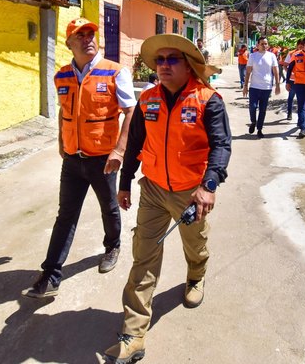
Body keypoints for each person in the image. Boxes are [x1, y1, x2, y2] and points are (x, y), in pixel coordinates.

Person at [106, 34, 231, 364]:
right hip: (153, 190)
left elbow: (221, 146)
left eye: (170, 59)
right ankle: (133, 334)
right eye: (159, 60)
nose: (162, 65)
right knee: (143, 255)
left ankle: (196, 274)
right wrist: (125, 183)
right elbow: (134, 145)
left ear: (188, 64)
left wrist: (209, 185)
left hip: (191, 192)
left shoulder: (208, 100)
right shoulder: (147, 100)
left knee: (195, 243)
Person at [24, 18, 136, 299]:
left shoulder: (114, 72)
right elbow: (65, 112)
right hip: (73, 159)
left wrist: (119, 151)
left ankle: (112, 246)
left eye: (90, 34)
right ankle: (50, 275)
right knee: (66, 215)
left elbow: (131, 112)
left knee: (109, 208)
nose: (88, 38)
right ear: (69, 43)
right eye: (80, 35)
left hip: (103, 158)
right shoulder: (61, 75)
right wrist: (62, 142)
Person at [242, 36, 281, 138]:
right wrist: (245, 85)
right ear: (257, 45)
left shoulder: (272, 56)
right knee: (253, 107)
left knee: (263, 110)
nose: (264, 46)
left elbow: (276, 71)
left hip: (266, 87)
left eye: (266, 44)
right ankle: (253, 121)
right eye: (262, 44)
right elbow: (248, 71)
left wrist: (277, 84)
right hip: (254, 87)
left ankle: (259, 129)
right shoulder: (253, 56)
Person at [282, 39, 304, 121]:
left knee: (301, 99)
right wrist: (289, 72)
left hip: (302, 80)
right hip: (292, 80)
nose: (301, 46)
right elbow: (285, 65)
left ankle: (302, 116)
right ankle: (289, 113)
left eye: (303, 45)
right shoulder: (291, 53)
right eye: (300, 45)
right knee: (291, 97)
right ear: (297, 45)